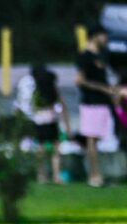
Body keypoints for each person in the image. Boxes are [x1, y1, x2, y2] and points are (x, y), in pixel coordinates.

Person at [76, 24, 124, 187]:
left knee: (99, 138)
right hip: (91, 102)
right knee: (91, 138)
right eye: (103, 35)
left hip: (104, 102)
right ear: (95, 36)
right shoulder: (85, 56)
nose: (106, 38)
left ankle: (98, 173)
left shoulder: (103, 55)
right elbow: (80, 80)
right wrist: (102, 88)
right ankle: (94, 175)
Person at [26, 63, 72, 184]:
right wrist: (67, 125)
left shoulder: (36, 91)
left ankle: (41, 174)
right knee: (55, 149)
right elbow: (62, 105)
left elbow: (31, 107)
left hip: (40, 120)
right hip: (51, 119)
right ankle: (56, 175)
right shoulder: (51, 89)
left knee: (41, 148)